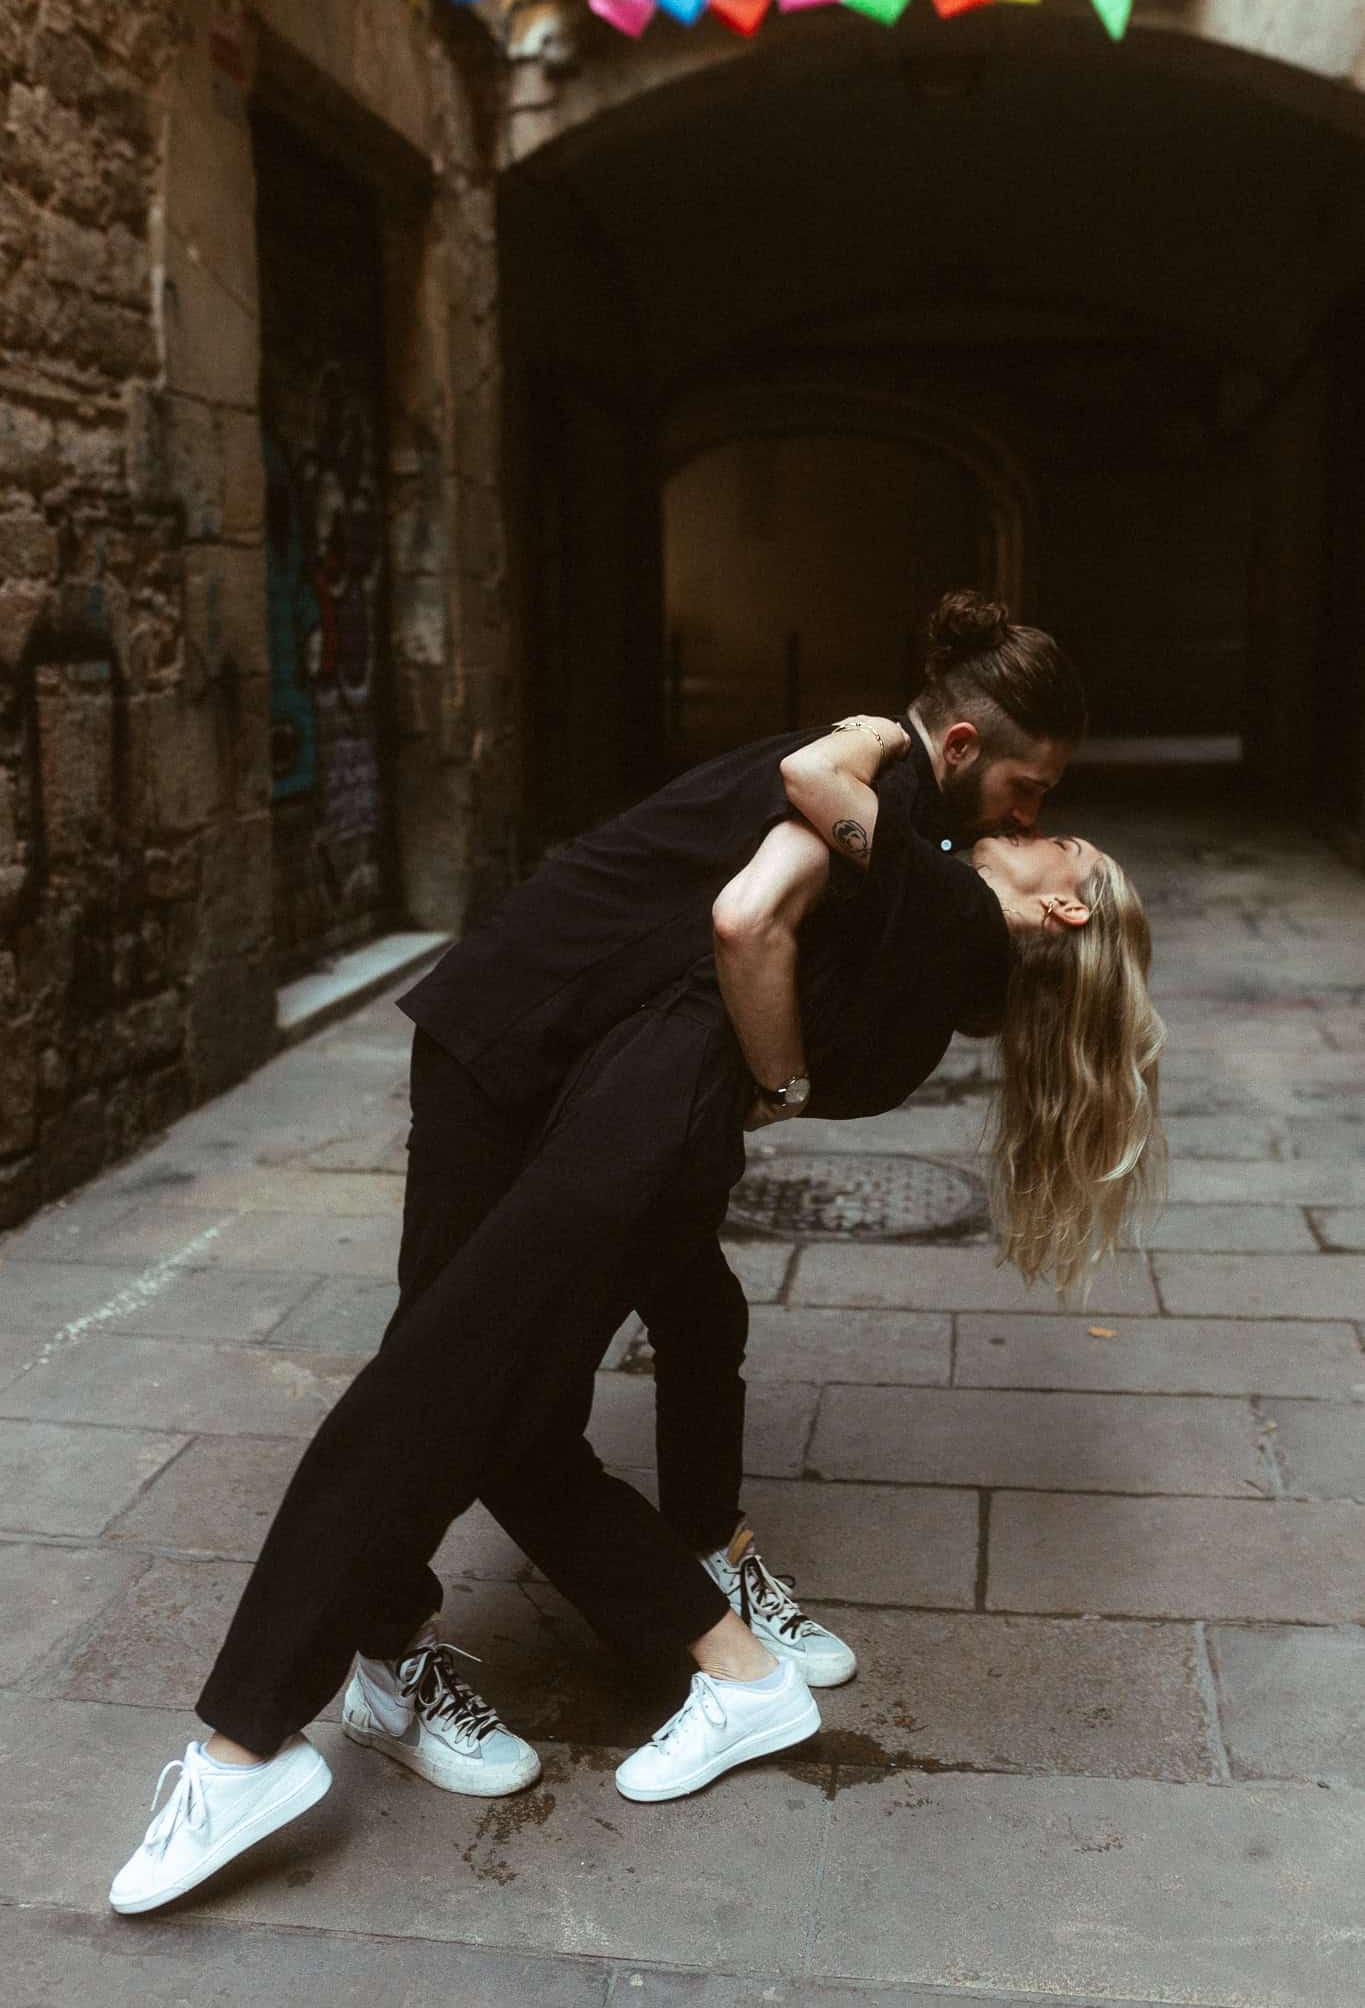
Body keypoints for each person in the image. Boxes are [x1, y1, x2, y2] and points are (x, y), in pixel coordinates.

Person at [108, 595, 1162, 1914]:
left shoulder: (922, 866)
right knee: (466, 1394)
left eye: (1049, 821)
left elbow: (758, 908)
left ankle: (285, 1734)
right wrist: (779, 1064)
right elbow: (765, 910)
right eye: (1034, 795)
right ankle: (672, 1655)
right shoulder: (913, 851)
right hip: (534, 1047)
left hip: (583, 1076)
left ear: (1063, 910)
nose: (1032, 815)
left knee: (449, 1392)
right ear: (962, 745)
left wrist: (775, 1058)